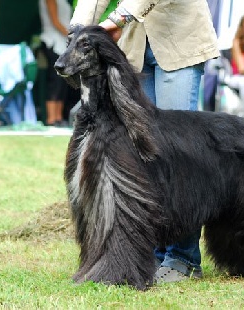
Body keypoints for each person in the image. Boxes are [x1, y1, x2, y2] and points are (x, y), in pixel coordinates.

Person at [70, 0, 219, 283]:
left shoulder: (124, 20)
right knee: (140, 159)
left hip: (180, 40)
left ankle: (183, 259)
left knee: (178, 156)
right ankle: (151, 254)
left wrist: (114, 21)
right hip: (134, 48)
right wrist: (77, 30)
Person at [39, 0, 71, 126]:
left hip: (63, 45)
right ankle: (51, 119)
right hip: (52, 42)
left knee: (63, 81)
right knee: (54, 80)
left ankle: (58, 117)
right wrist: (73, 36)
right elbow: (55, 21)